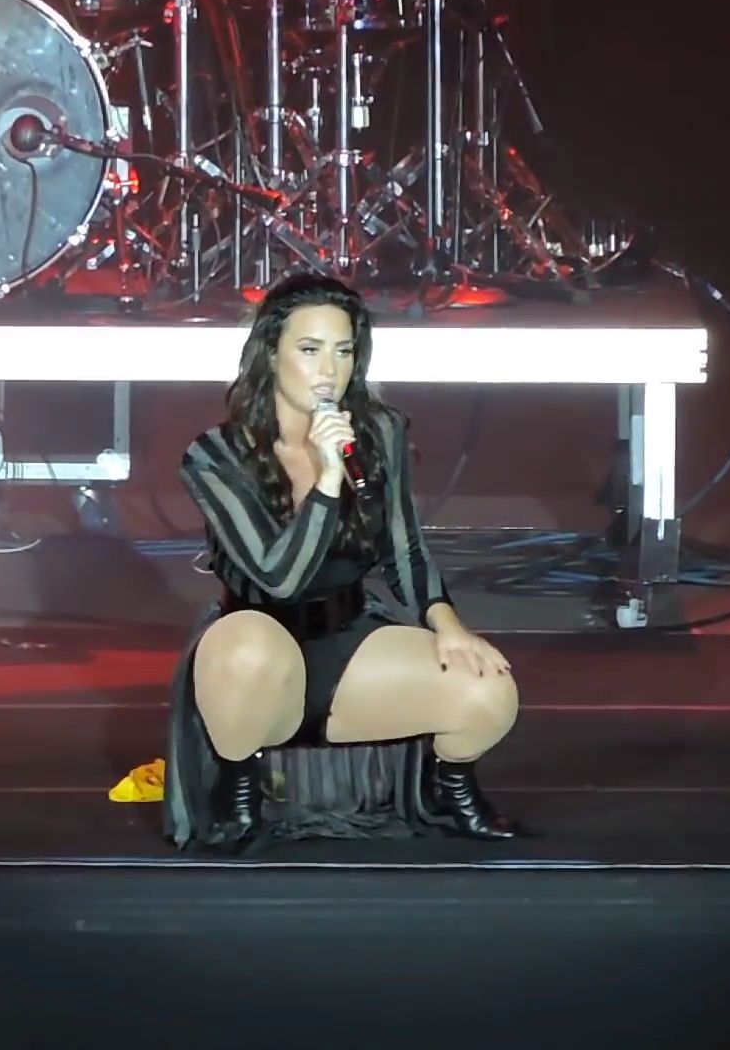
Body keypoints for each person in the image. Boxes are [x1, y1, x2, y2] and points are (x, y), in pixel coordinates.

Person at [163, 273, 521, 852]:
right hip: (256, 644)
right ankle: (239, 790)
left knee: (488, 689)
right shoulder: (216, 456)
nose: (328, 370)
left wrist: (447, 624)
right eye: (310, 350)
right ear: (270, 353)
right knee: (248, 649)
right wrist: (327, 479)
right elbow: (279, 578)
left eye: (344, 350)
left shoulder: (379, 432)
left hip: (350, 634)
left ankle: (449, 788)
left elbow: (404, 546)